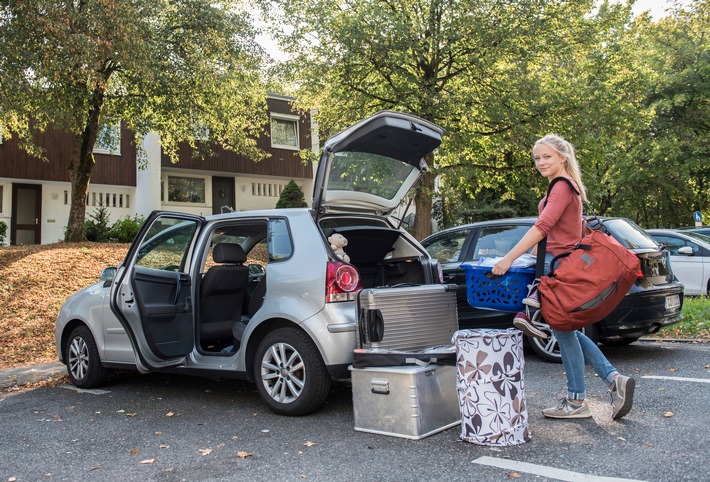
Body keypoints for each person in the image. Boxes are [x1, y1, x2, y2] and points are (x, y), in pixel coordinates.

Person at [491, 134, 635, 420]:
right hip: (557, 263)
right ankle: (611, 380)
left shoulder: (560, 187)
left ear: (562, 157)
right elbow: (563, 231)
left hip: (558, 267)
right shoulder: (568, 188)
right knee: (565, 330)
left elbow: (543, 227)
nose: (541, 162)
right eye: (537, 158)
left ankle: (578, 399)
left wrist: (507, 258)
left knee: (564, 331)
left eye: (547, 157)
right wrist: (531, 257)